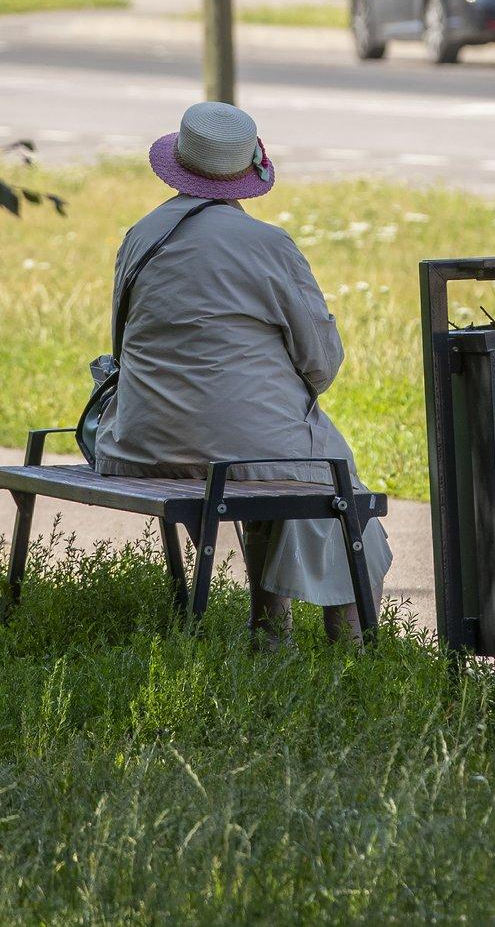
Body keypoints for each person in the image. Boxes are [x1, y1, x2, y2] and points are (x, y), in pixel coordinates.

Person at [90, 101, 391, 643]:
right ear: (247, 171)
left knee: (291, 464)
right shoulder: (268, 246)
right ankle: (347, 640)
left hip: (139, 441)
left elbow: (121, 333)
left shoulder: (141, 234)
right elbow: (322, 362)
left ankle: (271, 629)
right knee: (330, 476)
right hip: (242, 451)